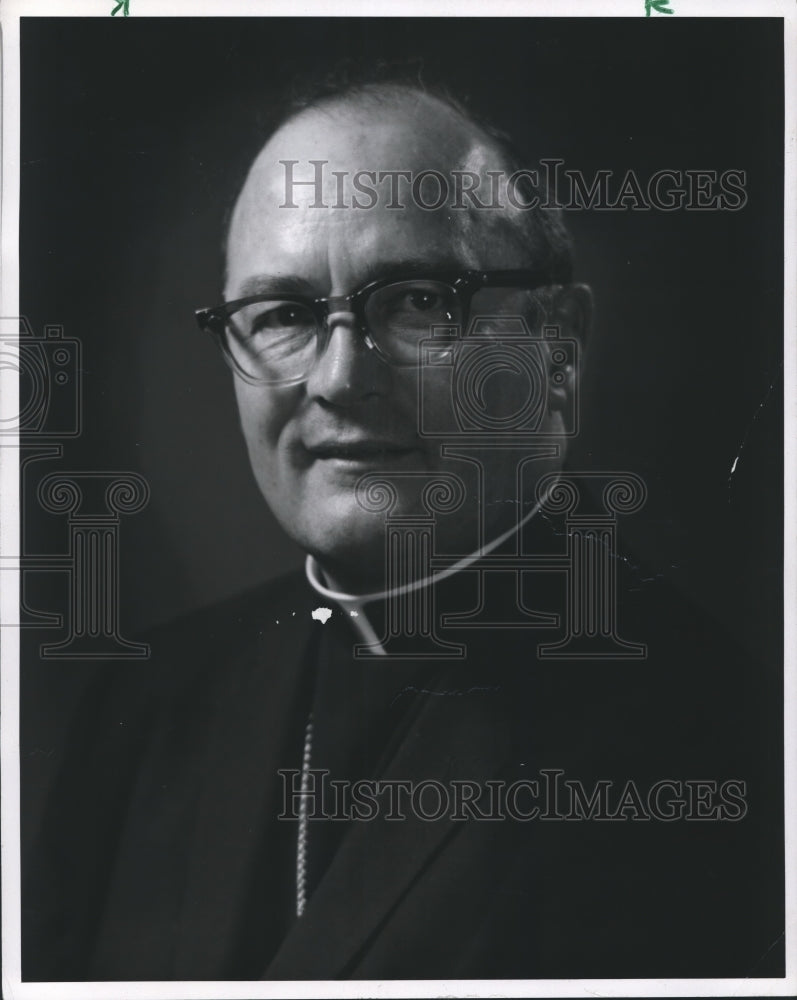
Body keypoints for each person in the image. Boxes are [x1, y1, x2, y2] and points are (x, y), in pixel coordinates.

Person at [23, 75, 780, 982]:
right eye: (285, 316)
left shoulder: (728, 739)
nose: (339, 378)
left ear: (557, 349)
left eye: (418, 301)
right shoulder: (133, 716)